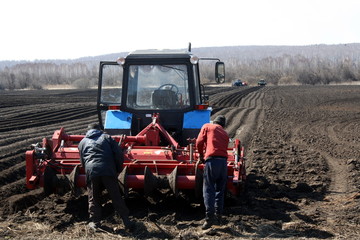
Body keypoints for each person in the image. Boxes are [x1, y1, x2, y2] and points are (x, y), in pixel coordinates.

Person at [78, 123, 134, 231]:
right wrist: (118, 169)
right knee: (115, 196)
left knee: (93, 197)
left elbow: (82, 161)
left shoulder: (82, 142)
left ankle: (95, 223)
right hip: (107, 170)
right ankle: (126, 221)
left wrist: (88, 172)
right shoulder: (107, 138)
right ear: (100, 130)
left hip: (91, 171)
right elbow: (118, 154)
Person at [196, 115, 229, 230]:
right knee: (220, 190)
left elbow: (199, 142)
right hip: (223, 163)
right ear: (223, 125)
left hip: (212, 161)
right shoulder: (225, 133)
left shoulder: (208, 126)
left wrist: (200, 155)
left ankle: (209, 218)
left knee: (209, 188)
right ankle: (218, 216)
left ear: (214, 122)